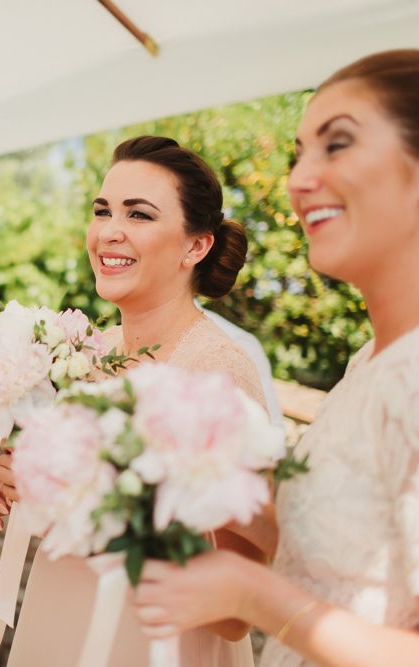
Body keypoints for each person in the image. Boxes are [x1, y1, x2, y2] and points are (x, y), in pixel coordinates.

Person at [129, 50, 419, 667]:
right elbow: (351, 555)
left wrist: (251, 592)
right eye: (298, 154)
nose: (298, 179)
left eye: (335, 145)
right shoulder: (370, 362)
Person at [0, 136, 277, 665]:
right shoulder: (87, 354)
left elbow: (237, 616)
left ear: (195, 246)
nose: (108, 232)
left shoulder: (218, 373)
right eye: (102, 210)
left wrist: (103, 508)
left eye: (139, 215)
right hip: (58, 624)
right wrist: (23, 486)